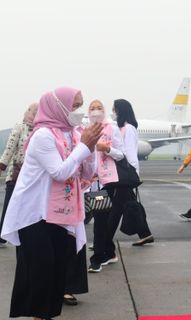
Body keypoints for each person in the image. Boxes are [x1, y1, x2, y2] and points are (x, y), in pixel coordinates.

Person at [0, 87, 103, 319]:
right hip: (34, 213)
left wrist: (91, 147)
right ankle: (39, 314)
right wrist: (83, 146)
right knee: (41, 269)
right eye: (75, 106)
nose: (79, 111)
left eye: (80, 105)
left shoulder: (73, 133)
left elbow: (87, 171)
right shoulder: (43, 135)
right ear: (59, 107)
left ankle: (45, 315)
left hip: (60, 213)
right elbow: (59, 172)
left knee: (57, 270)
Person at [86, 100, 125, 273]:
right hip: (87, 181)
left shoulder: (112, 128)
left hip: (106, 181)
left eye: (99, 108)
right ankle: (109, 251)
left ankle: (97, 258)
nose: (95, 111)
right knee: (93, 217)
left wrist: (107, 149)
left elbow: (121, 154)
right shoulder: (83, 130)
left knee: (100, 219)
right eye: (92, 108)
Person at [0, 103, 38, 248]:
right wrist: (2, 166)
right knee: (10, 205)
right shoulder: (19, 127)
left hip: (32, 176)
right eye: (31, 110)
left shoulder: (41, 129)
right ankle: (2, 235)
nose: (33, 113)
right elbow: (9, 149)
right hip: (16, 174)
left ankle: (23, 235)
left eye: (36, 111)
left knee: (27, 207)